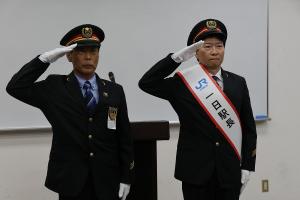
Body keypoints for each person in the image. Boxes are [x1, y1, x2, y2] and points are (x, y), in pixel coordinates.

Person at [6, 24, 134, 200]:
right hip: (71, 181)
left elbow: (124, 136)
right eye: (81, 52)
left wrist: (126, 177)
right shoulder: (55, 87)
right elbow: (15, 87)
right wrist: (44, 59)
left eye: (94, 51)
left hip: (108, 180)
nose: (89, 57)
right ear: (69, 55)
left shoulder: (114, 90)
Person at [139, 19, 257, 200]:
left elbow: (248, 128)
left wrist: (248, 165)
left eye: (219, 46)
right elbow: (147, 83)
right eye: (208, 46)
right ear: (195, 53)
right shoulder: (183, 83)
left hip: (229, 171)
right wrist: (175, 59)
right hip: (195, 172)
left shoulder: (237, 83)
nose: (215, 51)